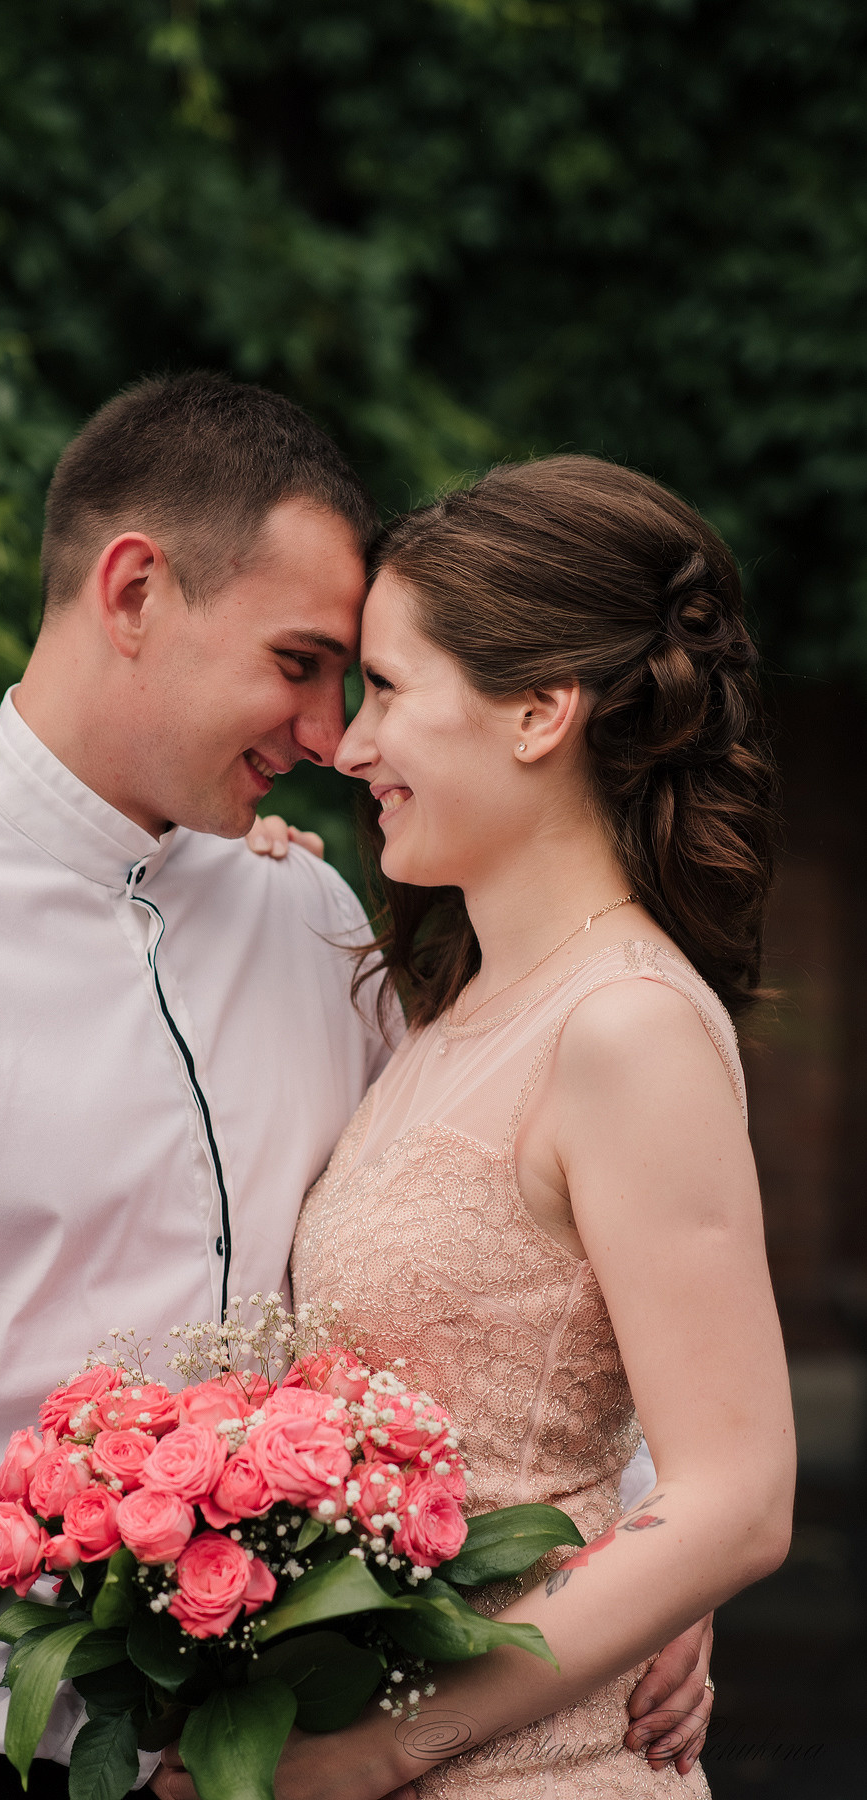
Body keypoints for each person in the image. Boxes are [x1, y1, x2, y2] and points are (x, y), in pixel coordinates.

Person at [0, 380, 710, 1798]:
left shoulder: (312, 916)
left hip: (308, 1740)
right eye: (299, 662)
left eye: (353, 680)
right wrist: (107, 1715)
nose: (329, 732)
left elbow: (506, 1255)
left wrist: (647, 1552)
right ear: (135, 591)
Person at [170, 455, 797, 1799]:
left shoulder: (627, 1027)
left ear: (537, 713)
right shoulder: (454, 1015)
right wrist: (240, 894)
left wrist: (373, 1752)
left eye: (388, 689)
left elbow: (737, 1498)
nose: (347, 746)